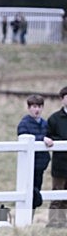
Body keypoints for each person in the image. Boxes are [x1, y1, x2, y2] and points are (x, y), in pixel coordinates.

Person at [16, 94, 53, 213]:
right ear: (29, 108)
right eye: (34, 106)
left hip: (41, 165)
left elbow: (51, 136)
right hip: (28, 165)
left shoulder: (45, 124)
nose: (37, 110)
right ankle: (25, 217)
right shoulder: (24, 124)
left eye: (39, 107)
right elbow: (23, 138)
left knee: (36, 193)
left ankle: (30, 217)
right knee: (31, 193)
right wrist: (42, 139)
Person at [45, 85, 67, 228]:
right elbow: (48, 136)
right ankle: (54, 222)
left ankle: (63, 222)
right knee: (57, 193)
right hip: (60, 163)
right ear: (62, 99)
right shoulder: (54, 119)